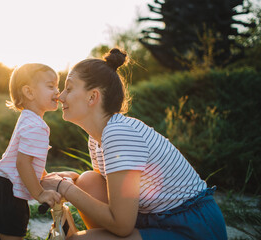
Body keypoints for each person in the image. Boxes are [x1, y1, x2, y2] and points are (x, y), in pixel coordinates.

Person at [41, 48, 228, 240]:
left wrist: (64, 188)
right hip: (153, 219)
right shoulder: (98, 138)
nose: (60, 96)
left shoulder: (119, 133)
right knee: (87, 180)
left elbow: (121, 225)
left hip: (190, 227)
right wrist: (72, 181)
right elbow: (113, 193)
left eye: (69, 89)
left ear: (92, 97)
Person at [0, 63, 61, 240]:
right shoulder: (37, 126)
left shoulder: (28, 118)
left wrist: (44, 176)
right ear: (29, 92)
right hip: (8, 193)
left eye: (57, 86)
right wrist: (40, 193)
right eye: (51, 86)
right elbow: (22, 163)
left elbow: (29, 158)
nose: (58, 91)